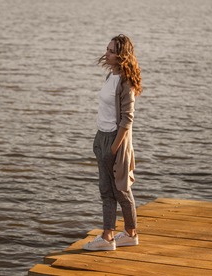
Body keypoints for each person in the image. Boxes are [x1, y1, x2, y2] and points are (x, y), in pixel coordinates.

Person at [83, 34, 142, 251]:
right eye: (107, 49)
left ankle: (127, 233)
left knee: (120, 189)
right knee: (106, 189)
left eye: (111, 51)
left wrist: (114, 149)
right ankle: (111, 236)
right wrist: (99, 142)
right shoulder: (111, 76)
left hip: (116, 140)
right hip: (102, 137)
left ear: (121, 56)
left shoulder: (125, 83)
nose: (106, 53)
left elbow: (127, 120)